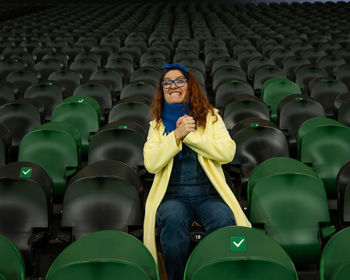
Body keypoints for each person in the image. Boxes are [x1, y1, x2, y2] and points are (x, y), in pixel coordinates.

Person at [143, 63, 251, 280]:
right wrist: (176, 136)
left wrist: (190, 136)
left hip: (208, 193)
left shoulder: (211, 118)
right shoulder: (155, 126)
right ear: (162, 89)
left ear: (189, 86)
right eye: (167, 82)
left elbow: (227, 152)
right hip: (173, 195)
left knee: (223, 219)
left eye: (179, 81)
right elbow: (151, 164)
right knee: (171, 221)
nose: (173, 86)